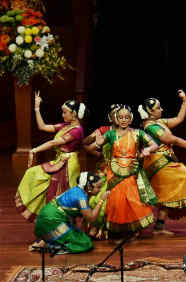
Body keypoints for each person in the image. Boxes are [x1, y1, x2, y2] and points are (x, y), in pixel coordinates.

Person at [139, 90, 186, 235]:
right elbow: (171, 140)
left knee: (167, 192)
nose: (161, 109)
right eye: (158, 108)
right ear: (150, 112)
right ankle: (147, 225)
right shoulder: (151, 127)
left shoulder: (159, 122)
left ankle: (159, 227)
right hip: (157, 163)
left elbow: (179, 119)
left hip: (165, 162)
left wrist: (185, 101)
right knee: (181, 178)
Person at [16, 93, 86, 222]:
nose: (63, 115)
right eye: (63, 112)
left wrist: (36, 149)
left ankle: (67, 226)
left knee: (65, 193)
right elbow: (42, 127)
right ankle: (54, 223)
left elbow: (54, 143)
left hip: (69, 164)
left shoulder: (77, 130)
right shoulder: (66, 126)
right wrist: (37, 108)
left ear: (74, 114)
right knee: (37, 177)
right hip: (60, 161)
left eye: (65, 112)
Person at [95, 105, 158, 238]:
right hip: (114, 170)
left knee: (132, 198)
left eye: (126, 117)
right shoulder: (111, 134)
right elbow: (99, 144)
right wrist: (98, 141)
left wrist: (148, 150)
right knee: (117, 200)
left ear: (131, 119)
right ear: (116, 119)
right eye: (121, 117)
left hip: (132, 169)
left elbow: (154, 144)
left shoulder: (137, 133)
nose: (123, 120)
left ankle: (134, 227)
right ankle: (119, 229)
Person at [30, 172, 108, 254]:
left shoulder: (78, 190)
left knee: (80, 236)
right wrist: (101, 200)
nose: (100, 190)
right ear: (89, 186)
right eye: (98, 187)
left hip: (49, 216)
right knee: (85, 244)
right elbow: (91, 218)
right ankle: (50, 245)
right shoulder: (81, 198)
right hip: (52, 220)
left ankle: (47, 239)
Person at [81, 103, 122, 239]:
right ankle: (95, 227)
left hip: (122, 169)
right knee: (97, 196)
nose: (118, 117)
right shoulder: (104, 130)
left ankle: (112, 228)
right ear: (110, 117)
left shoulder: (128, 132)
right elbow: (86, 143)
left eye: (120, 114)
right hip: (105, 169)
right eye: (115, 114)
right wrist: (97, 148)